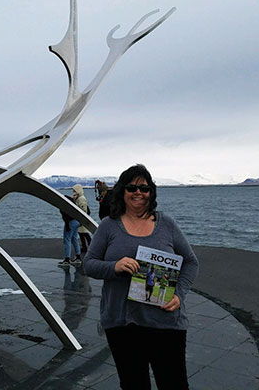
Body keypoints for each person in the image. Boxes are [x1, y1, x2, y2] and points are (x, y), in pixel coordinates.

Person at [84, 164, 199, 390]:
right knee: (133, 384)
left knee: (174, 384)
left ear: (151, 193)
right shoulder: (108, 226)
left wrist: (179, 295)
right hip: (122, 322)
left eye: (144, 188)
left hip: (165, 323)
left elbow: (191, 262)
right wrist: (114, 267)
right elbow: (89, 265)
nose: (138, 192)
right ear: (122, 191)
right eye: (132, 187)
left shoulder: (166, 224)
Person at [59, 194, 82, 267]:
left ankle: (67, 259)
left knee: (67, 239)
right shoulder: (72, 202)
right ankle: (78, 257)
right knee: (74, 238)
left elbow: (65, 216)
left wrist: (67, 225)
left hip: (70, 222)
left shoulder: (62, 204)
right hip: (77, 221)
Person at [72, 184, 92, 259]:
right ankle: (85, 246)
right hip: (81, 218)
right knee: (82, 233)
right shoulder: (79, 197)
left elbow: (84, 209)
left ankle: (89, 246)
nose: (73, 191)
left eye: (74, 190)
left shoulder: (81, 198)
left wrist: (82, 218)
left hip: (82, 218)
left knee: (84, 233)